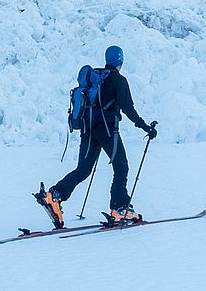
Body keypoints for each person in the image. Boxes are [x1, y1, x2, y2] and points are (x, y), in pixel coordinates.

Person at [35, 45, 157, 227]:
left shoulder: (96, 79)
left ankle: (55, 195)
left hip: (89, 130)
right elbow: (128, 109)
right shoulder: (119, 80)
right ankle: (120, 208)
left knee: (83, 169)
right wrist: (146, 128)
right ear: (121, 60)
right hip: (108, 130)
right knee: (121, 167)